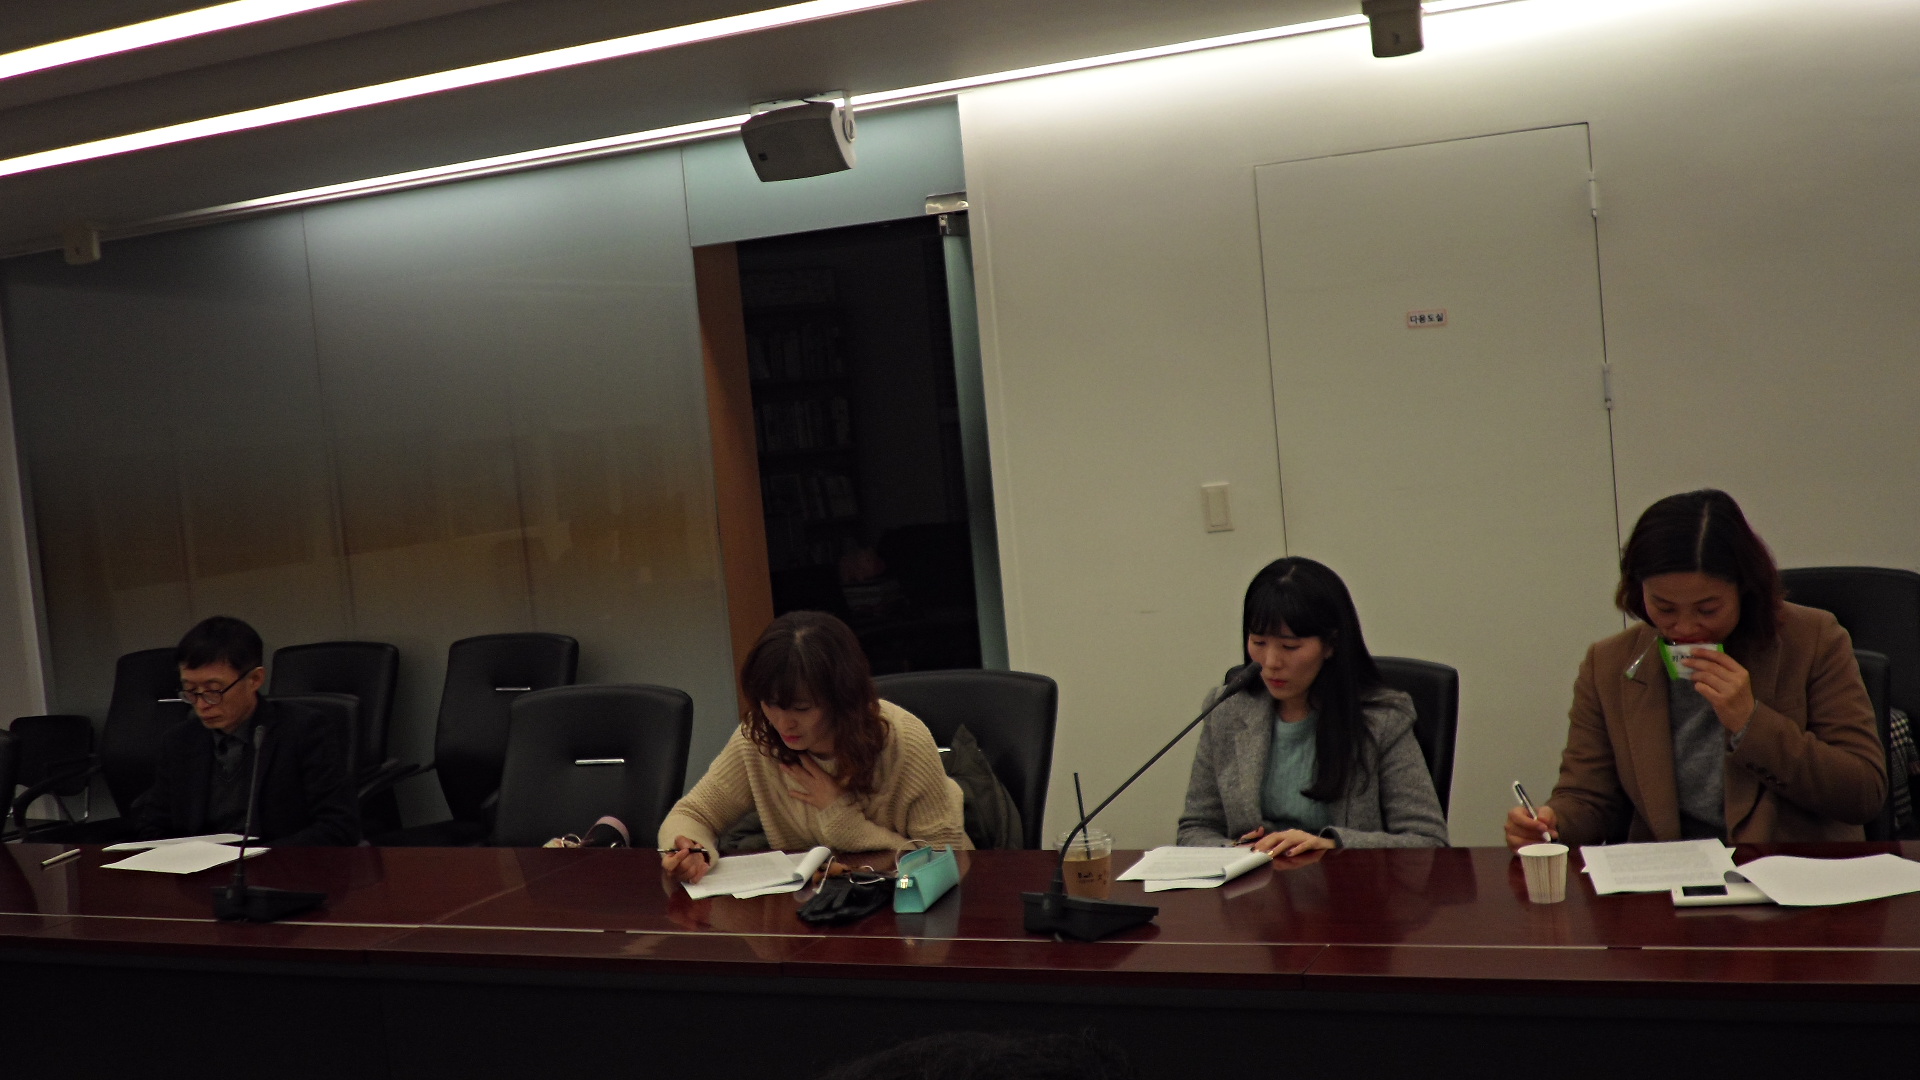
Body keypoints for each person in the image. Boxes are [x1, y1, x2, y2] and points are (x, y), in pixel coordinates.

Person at [1506, 489, 1886, 849]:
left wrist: (1750, 722)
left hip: (1788, 871)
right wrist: (1552, 823)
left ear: (1744, 589)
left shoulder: (1813, 639)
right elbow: (1589, 798)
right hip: (1668, 876)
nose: (1685, 628)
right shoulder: (1609, 664)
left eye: (1708, 609)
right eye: (1665, 608)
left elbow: (1863, 792)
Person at [660, 611, 969, 883]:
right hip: (814, 907)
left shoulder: (904, 741)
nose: (783, 723)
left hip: (903, 905)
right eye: (770, 704)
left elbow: (945, 860)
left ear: (842, 699)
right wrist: (691, 851)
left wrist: (839, 815)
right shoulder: (758, 738)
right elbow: (692, 813)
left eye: (802, 708)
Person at [1178, 557, 1449, 853]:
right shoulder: (1227, 711)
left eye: (1290, 646)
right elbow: (1196, 828)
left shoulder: (1383, 720)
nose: (1271, 662)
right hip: (1255, 882)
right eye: (1258, 642)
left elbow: (1428, 842)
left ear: (1331, 644)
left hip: (1346, 881)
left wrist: (1330, 846)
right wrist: (1238, 851)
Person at [134, 616, 360, 846]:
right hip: (201, 864)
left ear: (254, 679)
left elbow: (339, 826)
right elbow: (152, 824)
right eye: (191, 691)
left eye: (214, 690)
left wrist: (260, 858)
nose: (201, 704)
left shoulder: (304, 730)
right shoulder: (179, 741)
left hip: (281, 862)